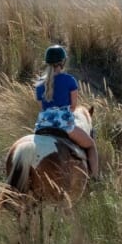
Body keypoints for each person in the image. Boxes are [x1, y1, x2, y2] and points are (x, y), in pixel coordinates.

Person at [34, 45, 98, 179]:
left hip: (42, 125)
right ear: (62, 62)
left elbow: (42, 107)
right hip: (64, 125)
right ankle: (95, 178)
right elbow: (73, 107)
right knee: (91, 145)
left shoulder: (39, 84)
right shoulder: (70, 80)